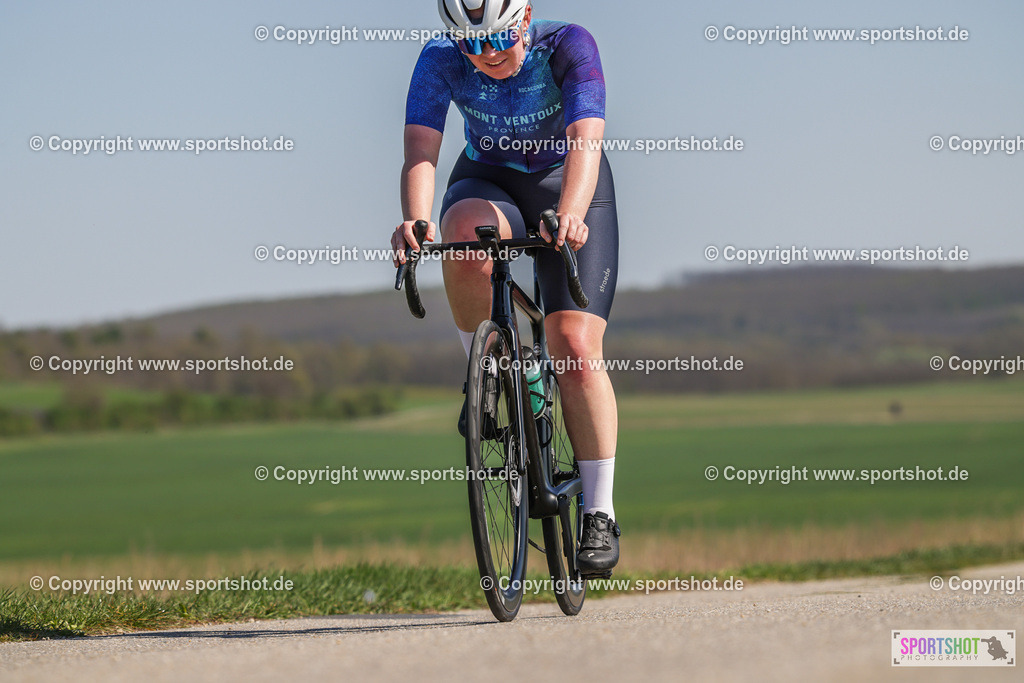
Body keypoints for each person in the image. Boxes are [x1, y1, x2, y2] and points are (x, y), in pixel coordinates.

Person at [392, 0, 620, 574]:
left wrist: (569, 214)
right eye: (471, 44)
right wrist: (416, 220)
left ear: (525, 19)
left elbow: (585, 141)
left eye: (497, 38)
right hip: (487, 177)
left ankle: (599, 512)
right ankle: (489, 371)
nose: (485, 54)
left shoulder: (568, 45)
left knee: (573, 344)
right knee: (462, 234)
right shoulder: (441, 58)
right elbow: (422, 150)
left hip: (565, 179)